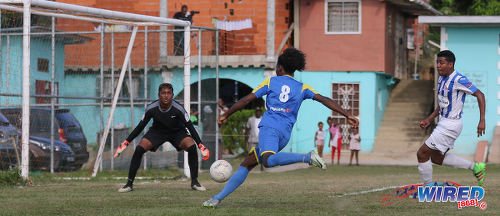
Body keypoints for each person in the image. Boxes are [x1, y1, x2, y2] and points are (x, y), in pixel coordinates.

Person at [202, 48, 359, 208]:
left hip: (269, 128)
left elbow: (246, 100)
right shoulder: (302, 87)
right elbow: (324, 99)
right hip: (285, 134)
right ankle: (216, 198)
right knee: (248, 163)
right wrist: (347, 115)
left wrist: (226, 114)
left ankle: (307, 157)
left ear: (280, 68)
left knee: (268, 161)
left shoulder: (271, 82)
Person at [113, 83, 210, 192]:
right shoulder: (151, 108)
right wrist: (125, 143)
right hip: (157, 131)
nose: (166, 96)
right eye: (163, 93)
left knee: (191, 146)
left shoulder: (178, 109)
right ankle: (129, 184)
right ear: (159, 95)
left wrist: (201, 145)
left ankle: (195, 182)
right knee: (139, 149)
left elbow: (190, 126)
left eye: (168, 93)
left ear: (172, 95)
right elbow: (140, 127)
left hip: (177, 132)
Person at [417, 50, 486, 186]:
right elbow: (442, 104)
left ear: (450, 64)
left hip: (451, 124)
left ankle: (428, 188)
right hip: (444, 123)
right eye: (437, 62)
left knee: (422, 154)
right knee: (436, 158)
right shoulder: (442, 79)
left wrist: (482, 120)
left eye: (441, 63)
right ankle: (475, 167)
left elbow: (480, 94)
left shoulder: (459, 79)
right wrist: (429, 119)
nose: (438, 66)